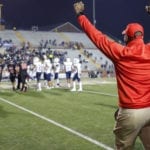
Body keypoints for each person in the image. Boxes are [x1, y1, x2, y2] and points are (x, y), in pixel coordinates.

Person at [73, 1, 150, 149]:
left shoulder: (120, 52)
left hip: (131, 111)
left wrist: (80, 15)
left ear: (128, 37)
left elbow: (96, 36)